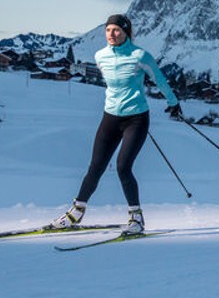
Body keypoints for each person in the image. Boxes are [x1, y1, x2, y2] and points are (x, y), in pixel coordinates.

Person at [50, 14, 182, 234]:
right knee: (95, 167)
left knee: (123, 167)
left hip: (136, 119)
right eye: (108, 30)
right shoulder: (100, 56)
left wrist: (173, 102)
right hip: (110, 118)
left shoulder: (140, 55)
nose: (111, 34)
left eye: (117, 30)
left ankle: (136, 219)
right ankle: (76, 213)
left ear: (126, 32)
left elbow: (159, 79)